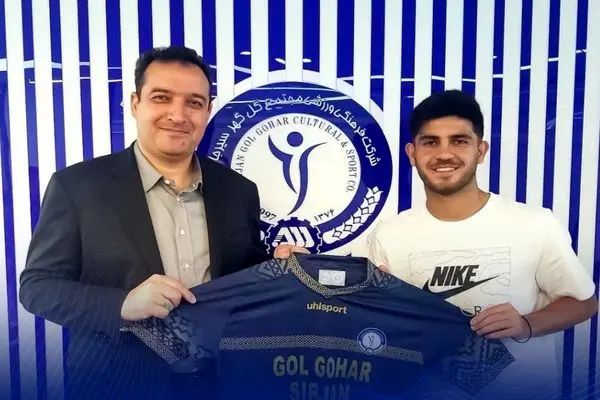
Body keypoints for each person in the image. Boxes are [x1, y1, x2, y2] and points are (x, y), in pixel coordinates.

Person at [19, 46, 304, 399]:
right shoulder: (77, 186)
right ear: (135, 103)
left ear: (207, 111)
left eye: (194, 103)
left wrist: (276, 267)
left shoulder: (239, 190)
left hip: (221, 379)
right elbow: (37, 287)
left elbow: (240, 271)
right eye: (161, 98)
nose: (178, 114)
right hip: (116, 384)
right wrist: (122, 305)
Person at [365, 89, 597, 398]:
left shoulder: (535, 224)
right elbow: (380, 327)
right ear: (412, 154)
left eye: (459, 141)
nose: (444, 154)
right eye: (430, 142)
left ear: (481, 150)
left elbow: (584, 302)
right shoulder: (389, 234)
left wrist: (525, 325)